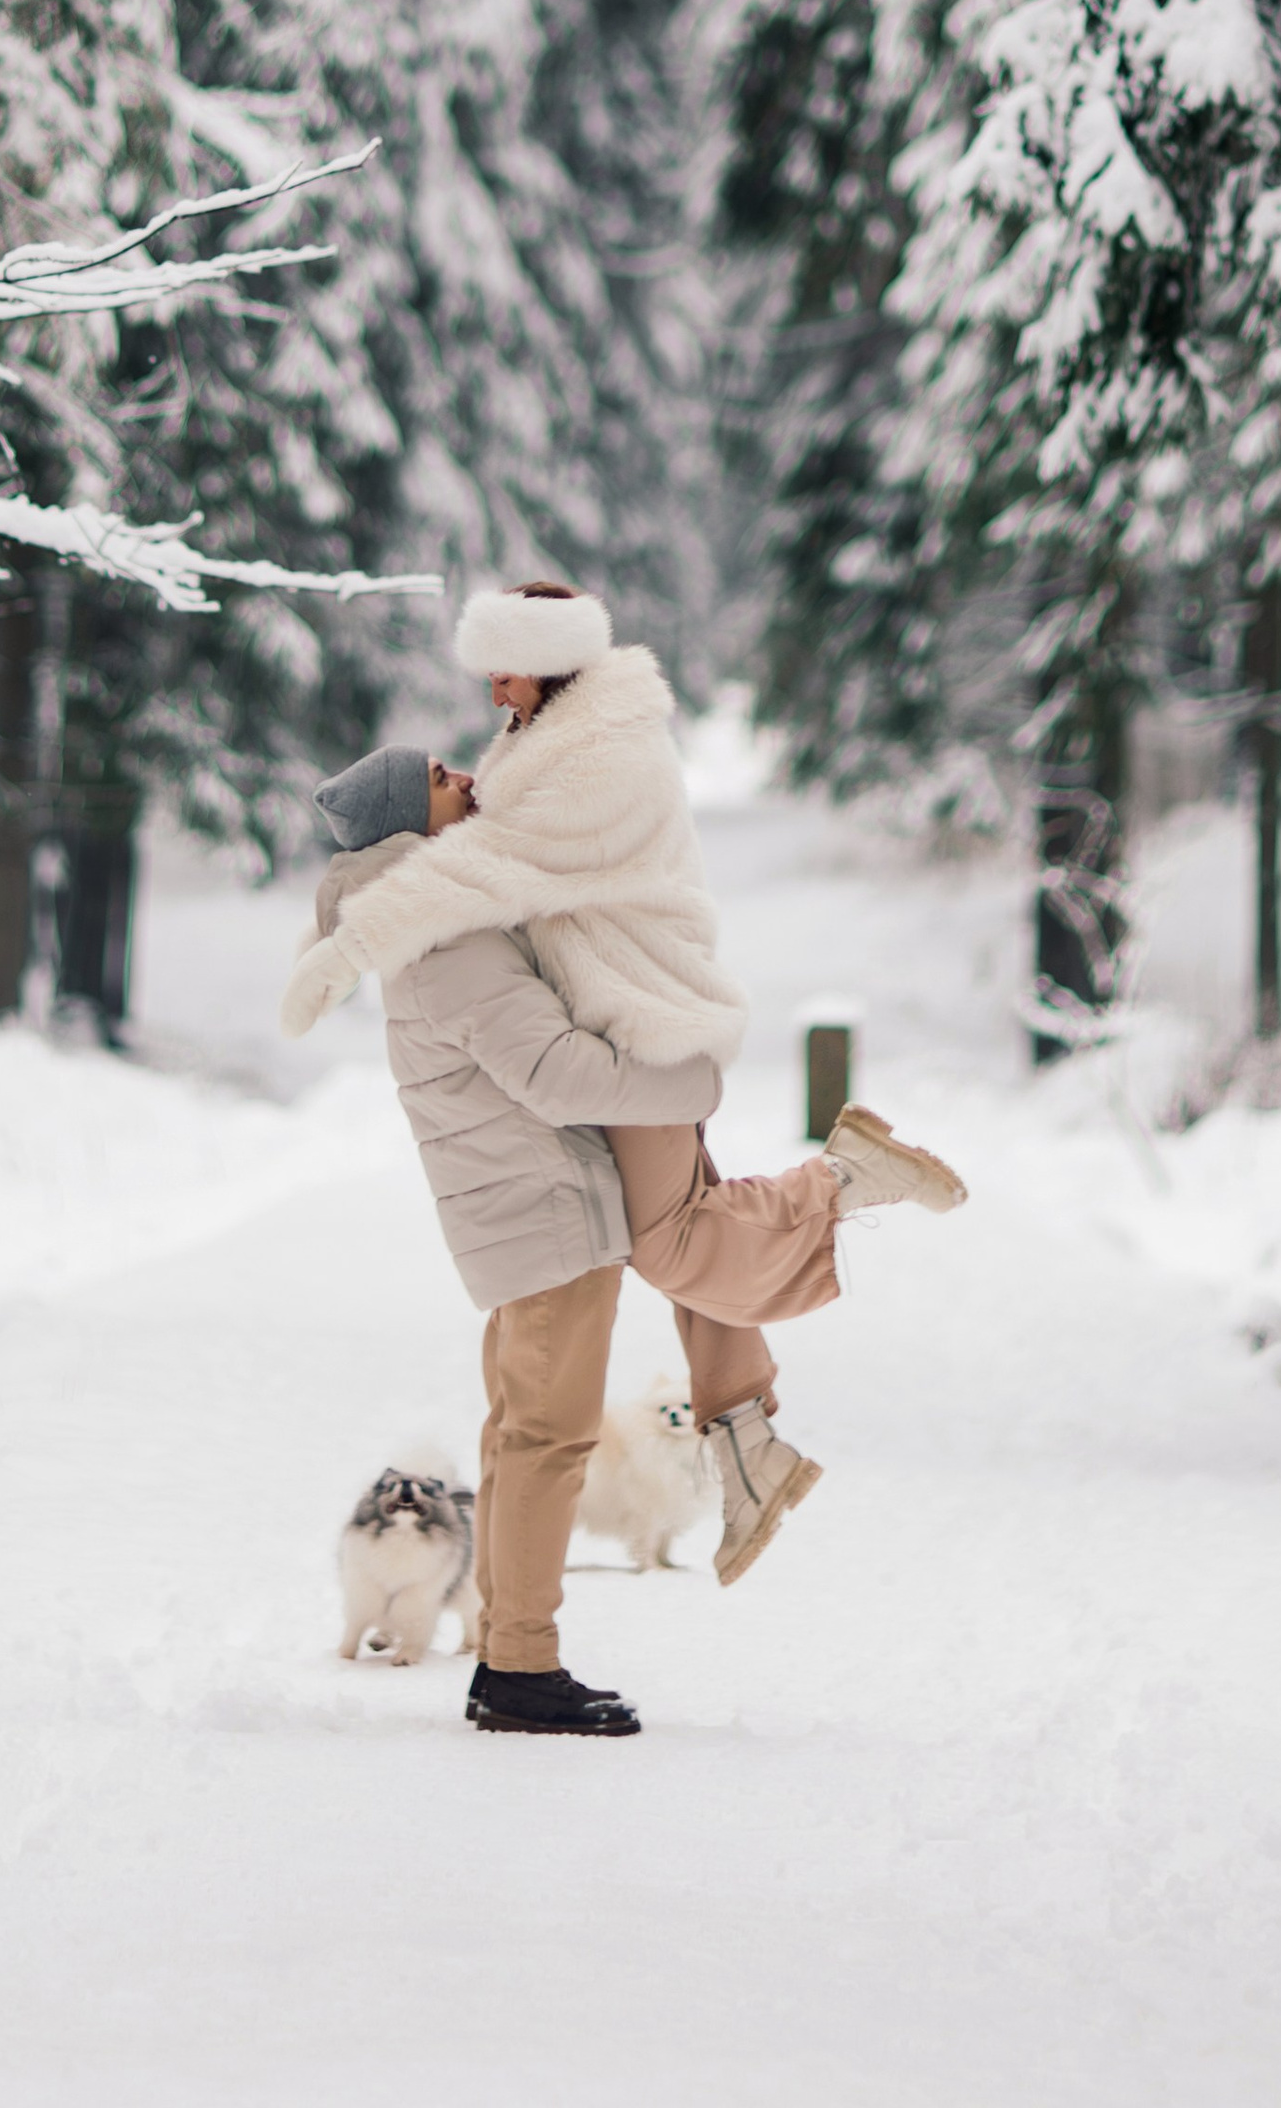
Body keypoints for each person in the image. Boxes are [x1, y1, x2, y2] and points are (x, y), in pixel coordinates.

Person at [290, 585, 968, 1660]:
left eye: (503, 666)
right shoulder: (534, 748)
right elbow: (461, 882)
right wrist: (360, 924)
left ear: (549, 659)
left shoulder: (596, 756)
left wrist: (353, 937)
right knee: (674, 1256)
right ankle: (746, 1447)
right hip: (613, 1040)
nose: (488, 698)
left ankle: (840, 1184)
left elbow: (487, 875)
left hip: (639, 1026)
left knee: (676, 1244)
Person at [306, 738, 717, 1737]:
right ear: (408, 823)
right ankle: (521, 1669)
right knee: (547, 1442)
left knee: (521, 1439)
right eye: (438, 780)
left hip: (533, 1216)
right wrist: (689, 1080)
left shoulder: (432, 915)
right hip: (544, 1219)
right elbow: (556, 1073)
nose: (463, 777)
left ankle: (505, 1648)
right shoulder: (442, 933)